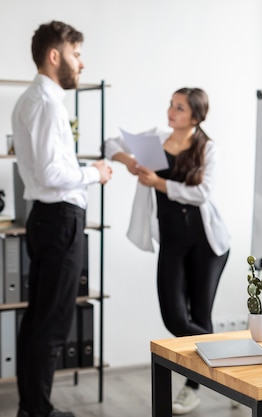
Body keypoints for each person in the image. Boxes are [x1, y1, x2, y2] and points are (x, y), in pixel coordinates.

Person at [104, 87, 230, 415]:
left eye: (180, 108)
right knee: (175, 319)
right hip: (172, 240)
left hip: (206, 242)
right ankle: (233, 367)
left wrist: (157, 183)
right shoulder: (156, 138)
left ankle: (194, 388)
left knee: (201, 315)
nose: (171, 112)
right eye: (171, 105)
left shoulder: (208, 148)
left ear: (196, 116)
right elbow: (109, 144)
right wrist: (129, 161)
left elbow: (202, 193)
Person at [11, 21, 113, 417]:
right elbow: (55, 175)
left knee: (38, 318)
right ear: (55, 56)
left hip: (44, 218)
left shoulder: (29, 100)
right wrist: (96, 173)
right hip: (59, 220)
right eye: (76, 54)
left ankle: (32, 408)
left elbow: (46, 168)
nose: (81, 64)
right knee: (52, 323)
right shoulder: (50, 103)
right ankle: (38, 412)